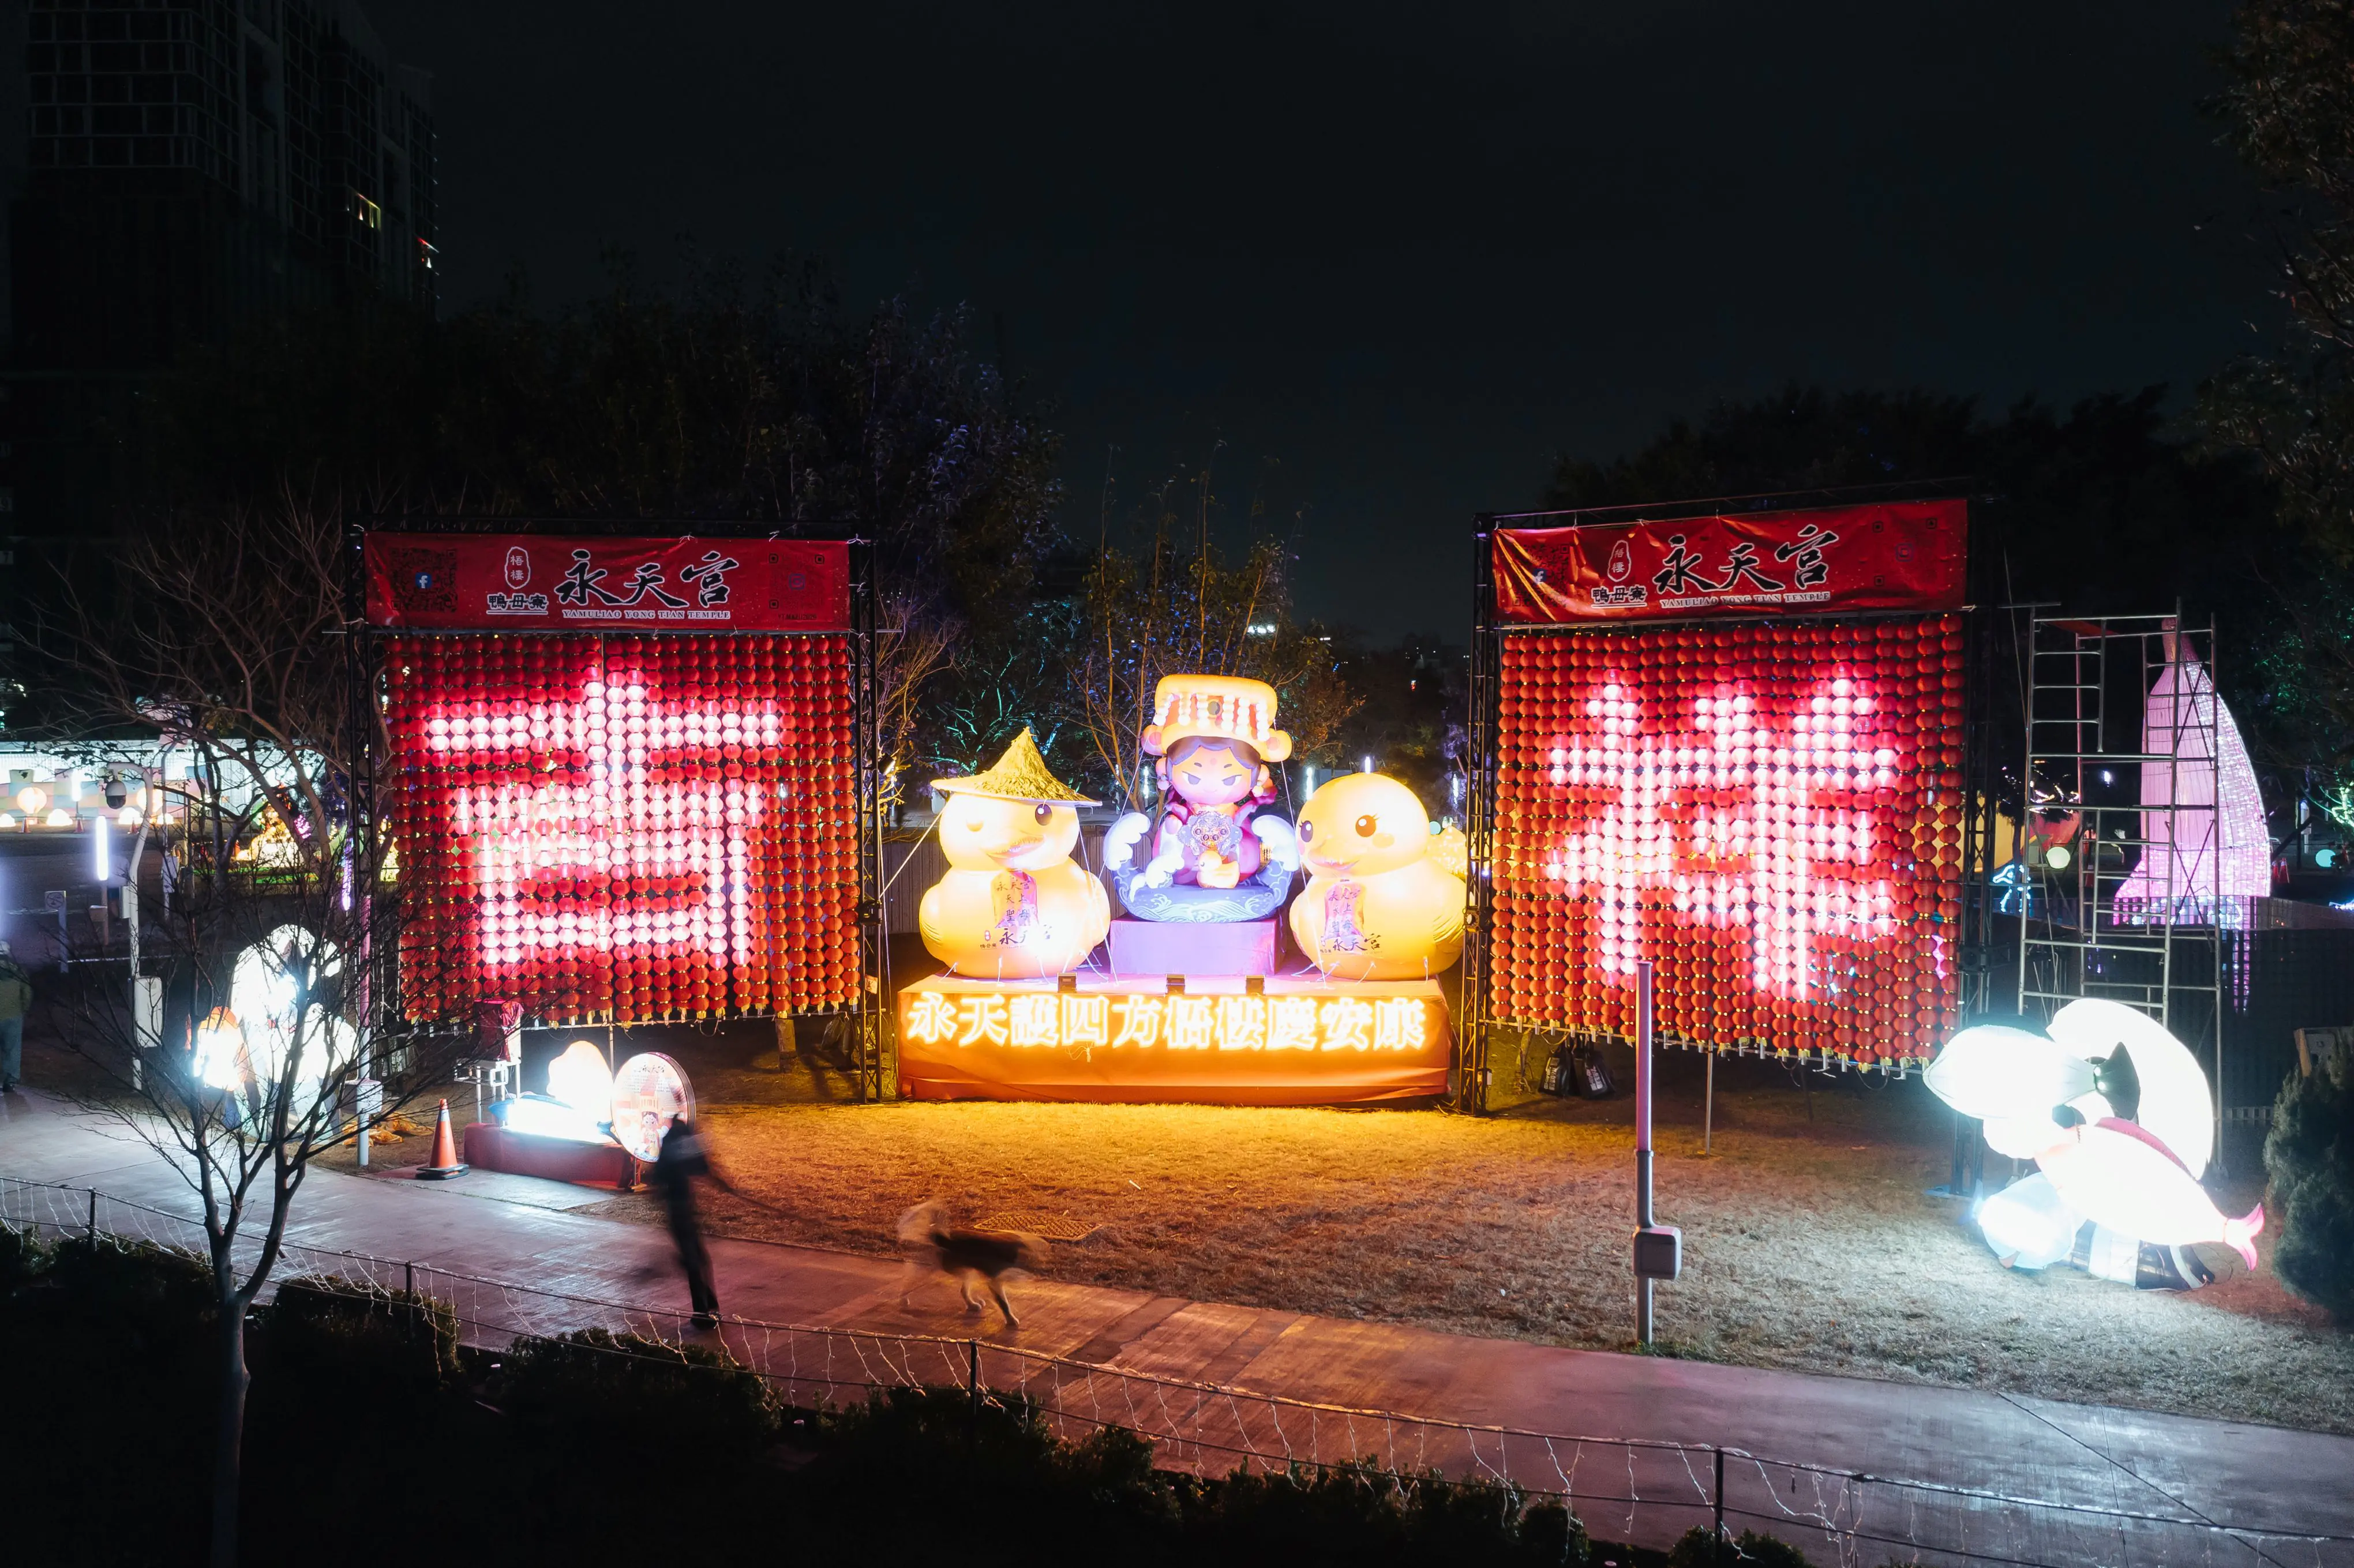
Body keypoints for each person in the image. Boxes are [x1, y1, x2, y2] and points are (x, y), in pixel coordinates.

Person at [652, 1112, 719, 1327]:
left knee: (694, 1258)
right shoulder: (680, 1144)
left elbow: (658, 1178)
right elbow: (702, 1168)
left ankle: (705, 1306)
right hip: (682, 1209)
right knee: (696, 1259)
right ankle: (704, 1309)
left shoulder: (671, 1145)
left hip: (680, 1209)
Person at [0, 939, 30, 1093]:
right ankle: (10, 1081)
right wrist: (22, 1009)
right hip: (14, 1015)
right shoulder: (18, 970)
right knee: (13, 1048)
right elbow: (27, 992)